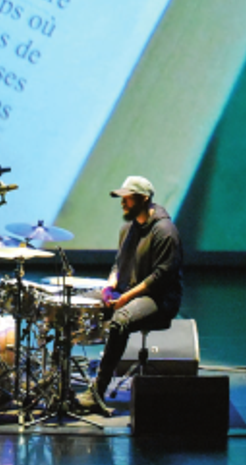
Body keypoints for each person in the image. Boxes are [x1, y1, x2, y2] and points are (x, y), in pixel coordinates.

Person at [78, 175, 184, 413]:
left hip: (159, 298)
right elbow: (118, 265)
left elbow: (159, 278)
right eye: (121, 198)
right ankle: (58, 380)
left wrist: (124, 298)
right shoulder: (128, 229)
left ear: (143, 199)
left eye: (127, 198)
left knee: (120, 322)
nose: (122, 202)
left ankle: (98, 391)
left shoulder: (165, 232)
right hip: (128, 291)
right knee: (77, 302)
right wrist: (109, 288)